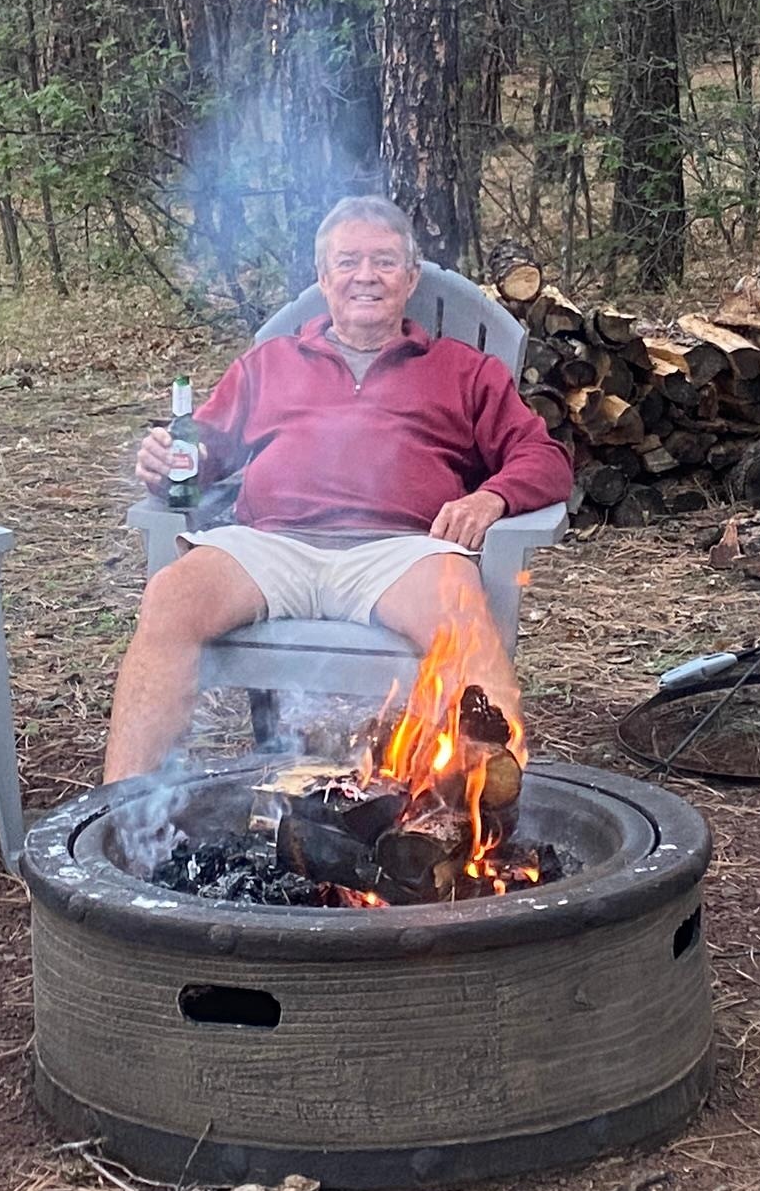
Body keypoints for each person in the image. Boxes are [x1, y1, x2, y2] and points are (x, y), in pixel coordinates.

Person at [102, 197, 574, 780]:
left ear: (410, 278)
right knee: (171, 598)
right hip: (271, 546)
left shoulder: (464, 370)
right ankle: (123, 813)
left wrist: (492, 497)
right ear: (324, 279)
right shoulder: (269, 363)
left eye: (383, 261)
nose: (366, 277)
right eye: (348, 262)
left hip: (401, 552)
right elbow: (202, 450)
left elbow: (544, 457)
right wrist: (171, 461)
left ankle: (493, 814)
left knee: (460, 615)